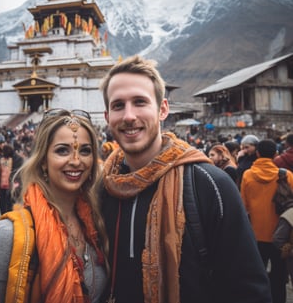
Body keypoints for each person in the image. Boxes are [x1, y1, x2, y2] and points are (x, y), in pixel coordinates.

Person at [98, 55, 272, 303]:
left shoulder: (210, 185)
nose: (128, 115)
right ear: (107, 117)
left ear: (163, 109)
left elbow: (249, 290)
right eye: (118, 105)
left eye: (140, 102)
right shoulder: (101, 189)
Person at [0, 109, 108, 302]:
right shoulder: (10, 236)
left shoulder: (97, 223)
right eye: (62, 150)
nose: (75, 161)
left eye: (85, 150)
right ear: (43, 161)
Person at [241, 139, 293, 303]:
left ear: (257, 153)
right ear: (275, 154)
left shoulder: (248, 175)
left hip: (256, 234)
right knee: (279, 276)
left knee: (257, 275)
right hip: (281, 237)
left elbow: (244, 205)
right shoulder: (287, 176)